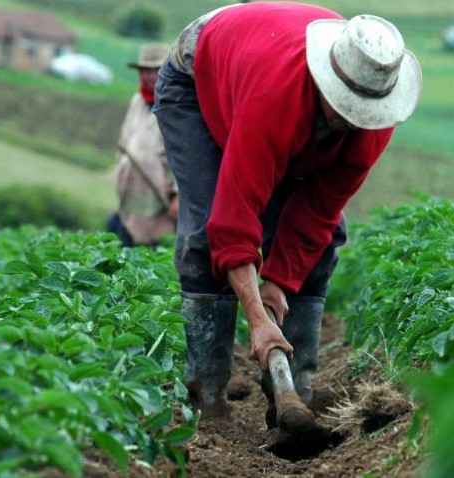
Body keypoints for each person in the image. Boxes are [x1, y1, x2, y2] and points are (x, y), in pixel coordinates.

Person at [153, 2, 421, 422]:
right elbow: (233, 219)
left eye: (359, 112)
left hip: (266, 71)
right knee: (207, 233)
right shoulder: (274, 99)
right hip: (200, 74)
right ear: (323, 82)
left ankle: (293, 392)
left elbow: (317, 213)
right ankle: (206, 395)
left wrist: (278, 283)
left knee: (324, 241)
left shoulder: (371, 123)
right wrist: (258, 319)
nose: (351, 120)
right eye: (343, 107)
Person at [107, 43, 178, 248]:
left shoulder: (177, 104)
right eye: (144, 70)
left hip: (160, 199)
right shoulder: (137, 101)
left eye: (155, 70)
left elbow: (186, 156)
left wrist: (178, 196)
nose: (149, 76)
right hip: (130, 196)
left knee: (154, 256)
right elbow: (124, 142)